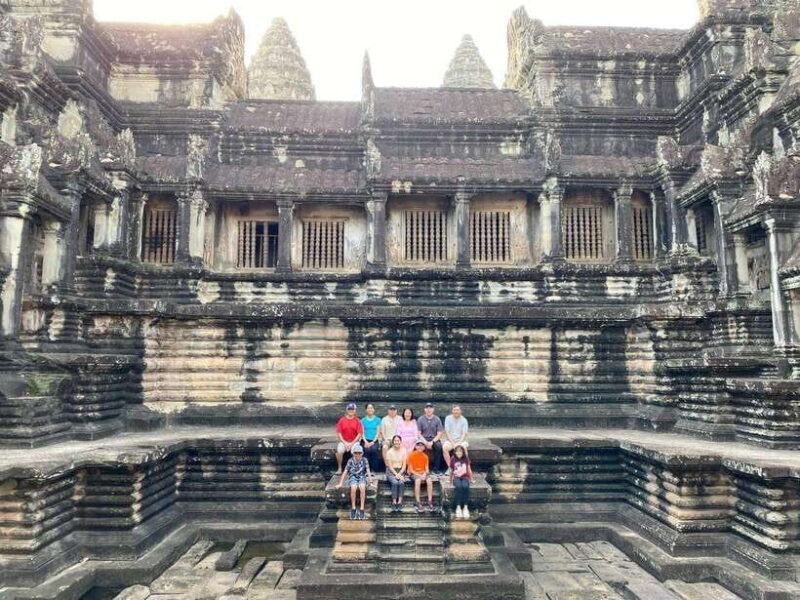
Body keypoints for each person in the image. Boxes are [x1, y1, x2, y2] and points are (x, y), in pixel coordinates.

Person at [337, 444, 372, 520]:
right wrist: (340, 483)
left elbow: (368, 471)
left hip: (362, 476)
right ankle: (353, 508)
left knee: (362, 488)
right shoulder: (350, 461)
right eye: (356, 453)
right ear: (353, 453)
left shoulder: (365, 460)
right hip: (353, 477)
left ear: (362, 453)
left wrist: (371, 482)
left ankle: (362, 508)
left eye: (359, 453)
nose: (357, 454)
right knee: (353, 488)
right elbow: (345, 472)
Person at [335, 403, 363, 474]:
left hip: (354, 441)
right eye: (349, 409)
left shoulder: (357, 420)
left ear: (355, 410)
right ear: (347, 410)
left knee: (356, 451)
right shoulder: (342, 420)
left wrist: (351, 443)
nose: (351, 411)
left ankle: (355, 468)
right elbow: (339, 433)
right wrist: (345, 443)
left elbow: (359, 433)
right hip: (344, 441)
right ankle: (339, 468)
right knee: (339, 450)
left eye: (352, 409)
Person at [407, 439, 434, 513]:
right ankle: (418, 502)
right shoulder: (411, 455)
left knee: (429, 480)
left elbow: (427, 468)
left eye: (422, 445)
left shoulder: (425, 456)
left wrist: (425, 474)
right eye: (418, 445)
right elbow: (411, 470)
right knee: (418, 480)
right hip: (414, 474)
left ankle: (430, 501)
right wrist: (419, 475)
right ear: (415, 446)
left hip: (423, 473)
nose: (420, 447)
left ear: (424, 447)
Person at [417, 402, 444, 475]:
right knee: (419, 447)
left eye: (430, 408)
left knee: (438, 447)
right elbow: (418, 433)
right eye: (427, 408)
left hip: (434, 438)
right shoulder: (420, 419)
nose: (429, 410)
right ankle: (421, 467)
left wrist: (432, 442)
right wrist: (425, 442)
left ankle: (436, 469)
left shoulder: (437, 419)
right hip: (423, 438)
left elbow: (439, 433)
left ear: (433, 410)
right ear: (424, 409)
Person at [449, 444, 474, 519]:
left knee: (465, 487)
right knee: (459, 487)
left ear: (463, 452)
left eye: (460, 451)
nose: (458, 453)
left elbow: (469, 469)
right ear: (455, 452)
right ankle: (458, 507)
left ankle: (466, 507)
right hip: (456, 477)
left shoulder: (466, 459)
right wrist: (450, 479)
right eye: (457, 452)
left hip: (465, 477)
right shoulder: (453, 459)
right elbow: (451, 470)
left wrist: (471, 478)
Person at [384, 435, 408, 513]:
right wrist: (396, 475)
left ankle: (399, 502)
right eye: (395, 440)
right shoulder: (389, 452)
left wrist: (400, 473)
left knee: (401, 482)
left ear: (400, 442)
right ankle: (394, 502)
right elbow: (390, 466)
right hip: (391, 472)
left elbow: (404, 465)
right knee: (395, 482)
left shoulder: (404, 451)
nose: (396, 442)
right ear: (393, 442)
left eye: (398, 440)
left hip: (400, 470)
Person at [442, 405, 469, 469]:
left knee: (463, 448)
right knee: (444, 448)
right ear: (452, 411)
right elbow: (447, 432)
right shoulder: (448, 418)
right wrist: (453, 443)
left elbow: (464, 434)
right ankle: (450, 467)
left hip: (461, 440)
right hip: (450, 440)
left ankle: (465, 466)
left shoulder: (464, 420)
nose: (456, 411)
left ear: (460, 411)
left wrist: (458, 443)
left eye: (457, 410)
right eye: (454, 410)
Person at [361, 403, 382, 473]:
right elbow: (362, 433)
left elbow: (378, 432)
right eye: (368, 408)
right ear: (366, 410)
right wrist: (366, 442)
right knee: (366, 450)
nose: (370, 409)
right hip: (365, 440)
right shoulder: (363, 420)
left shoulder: (378, 419)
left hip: (374, 440)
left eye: (371, 408)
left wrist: (373, 442)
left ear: (374, 409)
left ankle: (374, 470)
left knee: (374, 450)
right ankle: (366, 470)